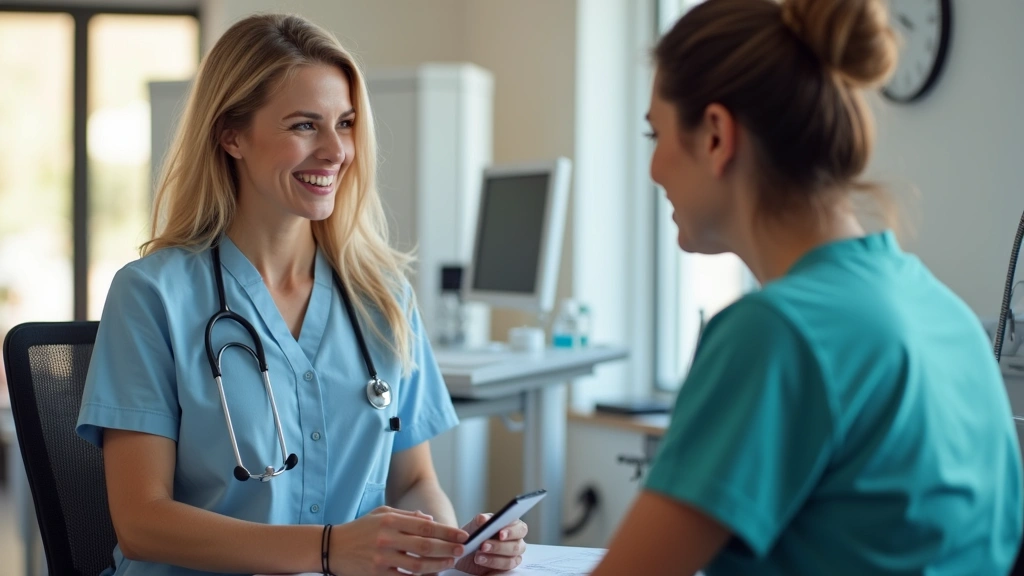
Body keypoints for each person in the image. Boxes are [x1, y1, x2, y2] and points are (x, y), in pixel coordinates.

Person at [76, 13, 526, 576]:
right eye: (304, 126)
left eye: (346, 123)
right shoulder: (152, 296)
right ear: (230, 134)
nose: (336, 150)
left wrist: (448, 544)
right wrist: (329, 550)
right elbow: (142, 522)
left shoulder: (382, 298)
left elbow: (413, 481)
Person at [591, 0, 1024, 574]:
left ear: (717, 135)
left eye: (656, 134)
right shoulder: (945, 315)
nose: (653, 170)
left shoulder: (775, 334)